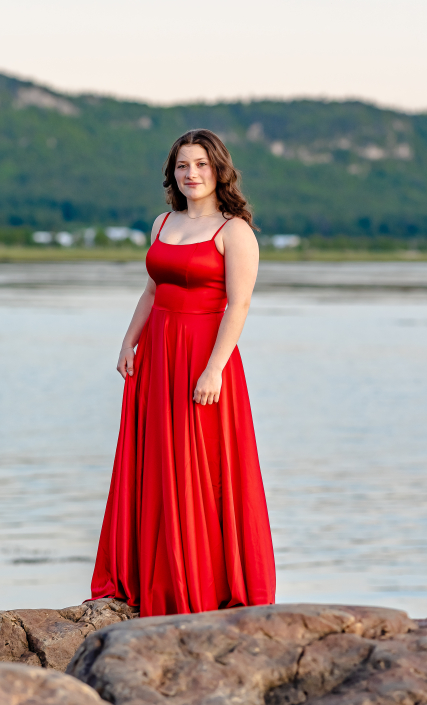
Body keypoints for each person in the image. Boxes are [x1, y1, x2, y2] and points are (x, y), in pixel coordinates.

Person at [89, 129, 276, 617]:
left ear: (219, 171)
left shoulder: (234, 231)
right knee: (155, 462)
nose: (191, 174)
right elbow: (152, 291)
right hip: (158, 354)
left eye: (200, 165)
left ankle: (203, 581)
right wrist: (129, 340)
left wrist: (214, 369)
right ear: (172, 173)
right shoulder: (162, 223)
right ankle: (154, 576)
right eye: (182, 166)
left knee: (202, 468)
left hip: (204, 358)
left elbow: (239, 305)